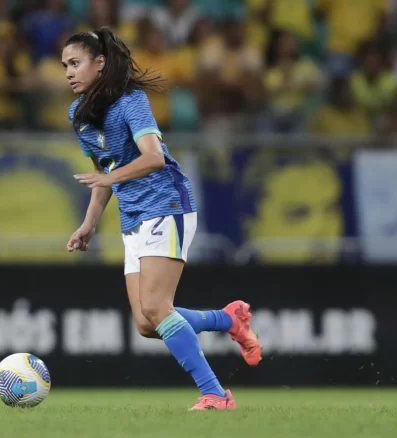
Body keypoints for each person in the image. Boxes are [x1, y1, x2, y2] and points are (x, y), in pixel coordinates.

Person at [63, 28, 262, 411]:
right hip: (132, 217)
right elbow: (103, 174)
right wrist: (88, 223)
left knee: (157, 307)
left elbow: (153, 157)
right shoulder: (79, 114)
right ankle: (227, 319)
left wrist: (110, 177)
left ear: (100, 63)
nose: (69, 73)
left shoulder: (130, 101)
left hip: (166, 204)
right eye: (65, 66)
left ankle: (215, 395)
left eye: (75, 63)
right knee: (146, 322)